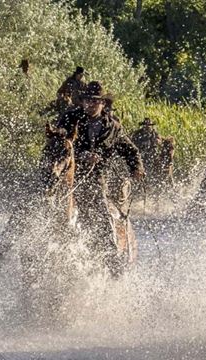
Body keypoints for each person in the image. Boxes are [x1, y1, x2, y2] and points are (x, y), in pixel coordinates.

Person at [56, 81, 144, 274]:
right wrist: (80, 155)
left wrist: (136, 168)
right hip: (63, 171)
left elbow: (130, 150)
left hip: (94, 176)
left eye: (95, 101)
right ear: (83, 101)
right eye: (88, 100)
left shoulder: (112, 127)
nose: (90, 104)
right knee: (31, 198)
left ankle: (111, 259)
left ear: (103, 103)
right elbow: (58, 143)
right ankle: (2, 244)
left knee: (100, 210)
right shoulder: (71, 117)